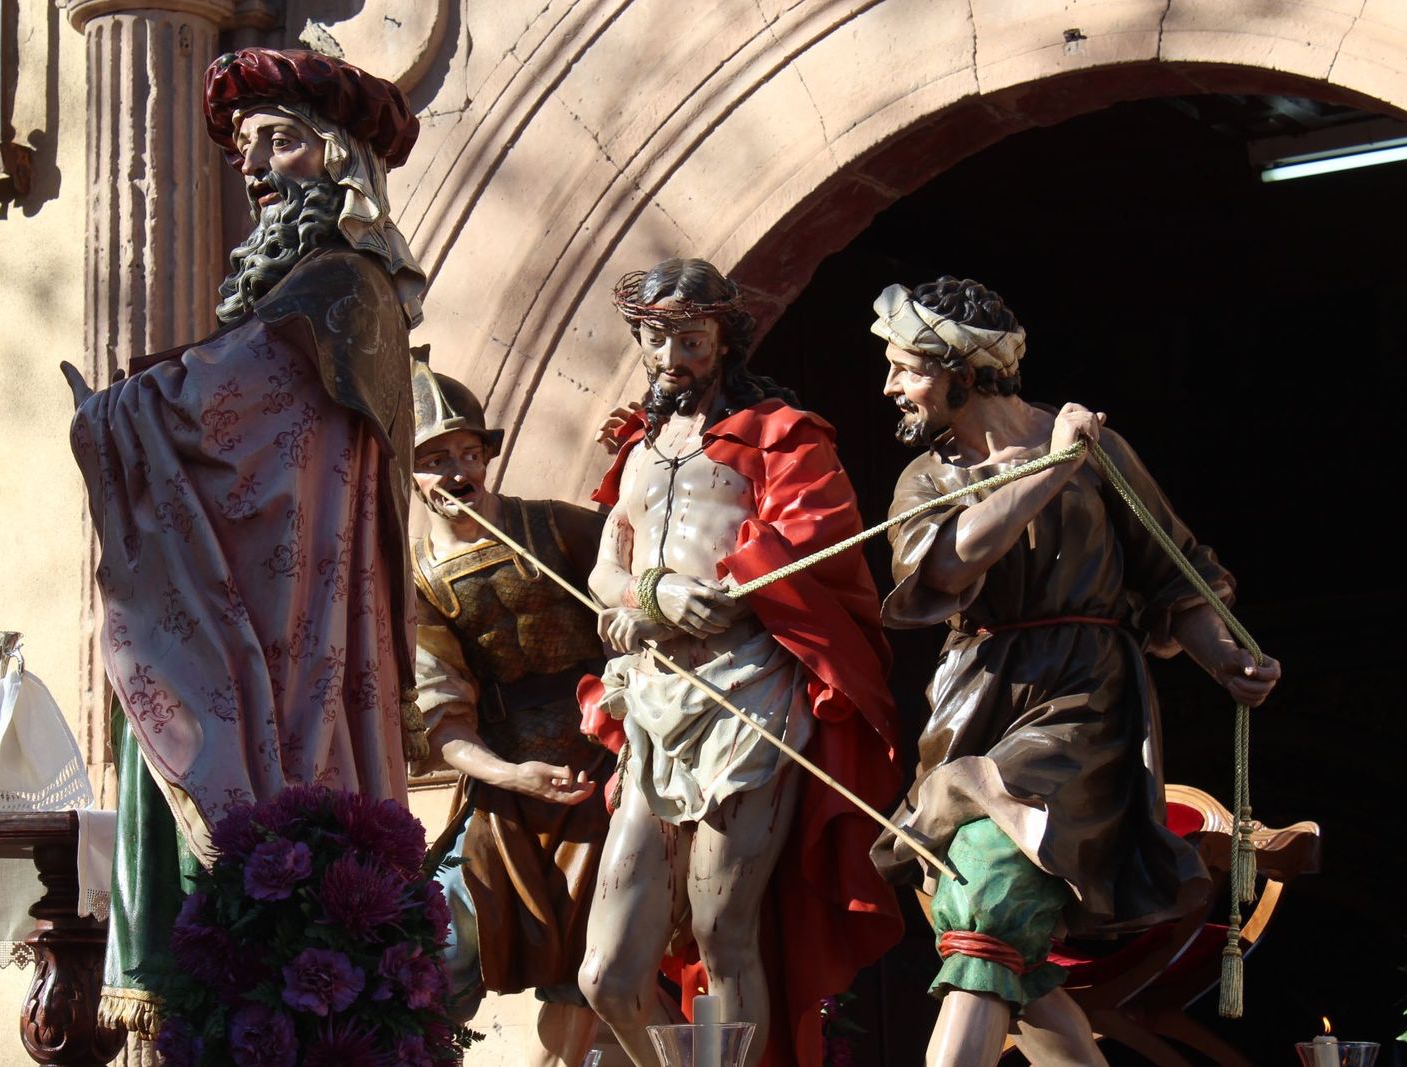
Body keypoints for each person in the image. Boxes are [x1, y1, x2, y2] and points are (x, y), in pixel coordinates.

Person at [61, 48, 428, 1038]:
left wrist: (123, 413)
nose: (255, 167)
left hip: (287, 628)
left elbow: (237, 408)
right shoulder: (308, 294)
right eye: (244, 149)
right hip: (260, 609)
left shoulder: (337, 292)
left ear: (342, 159)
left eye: (279, 142)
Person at [867, 276, 1281, 1066]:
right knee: (995, 928)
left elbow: (1174, 574)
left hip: (1086, 701)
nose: (890, 385)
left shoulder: (1098, 452)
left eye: (906, 366)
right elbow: (947, 565)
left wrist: (1225, 659)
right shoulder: (928, 477)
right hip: (976, 698)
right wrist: (1047, 469)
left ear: (964, 370)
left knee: (989, 879)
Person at [579, 258, 904, 1067]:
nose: (670, 358)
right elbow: (604, 575)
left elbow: (811, 554)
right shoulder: (637, 450)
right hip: (654, 701)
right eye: (656, 338)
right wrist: (644, 597)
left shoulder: (778, 432)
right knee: (607, 973)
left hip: (746, 698)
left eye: (690, 339)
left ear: (724, 341)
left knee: (726, 931)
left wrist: (732, 585)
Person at [407, 355, 610, 1067]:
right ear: (410, 472)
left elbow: (633, 578)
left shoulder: (551, 528)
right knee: (438, 940)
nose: (458, 471)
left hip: (606, 772)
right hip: (510, 784)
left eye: (467, 452)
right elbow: (445, 722)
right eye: (435, 459)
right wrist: (511, 775)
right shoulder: (422, 583)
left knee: (587, 960)